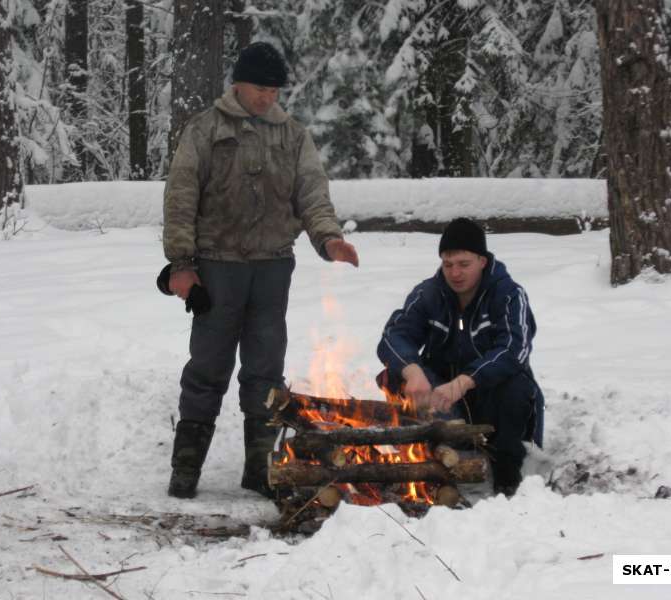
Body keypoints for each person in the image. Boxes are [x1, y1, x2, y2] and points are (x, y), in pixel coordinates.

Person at [162, 42, 359, 499]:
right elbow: (180, 198)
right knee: (208, 366)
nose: (268, 97)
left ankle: (260, 467)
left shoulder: (293, 136)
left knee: (265, 369)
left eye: (274, 90)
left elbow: (312, 192)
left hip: (272, 267)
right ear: (239, 84)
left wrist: (328, 239)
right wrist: (181, 264)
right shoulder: (205, 129)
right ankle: (186, 467)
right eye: (260, 88)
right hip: (217, 267)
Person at [376, 217, 543, 496]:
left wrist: (466, 381)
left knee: (516, 385)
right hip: (442, 400)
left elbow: (514, 350)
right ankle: (428, 457)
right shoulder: (429, 293)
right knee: (394, 375)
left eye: (464, 264)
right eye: (448, 264)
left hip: (491, 401)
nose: (455, 273)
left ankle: (506, 472)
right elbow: (393, 337)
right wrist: (411, 370)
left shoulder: (509, 295)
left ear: (482, 261)